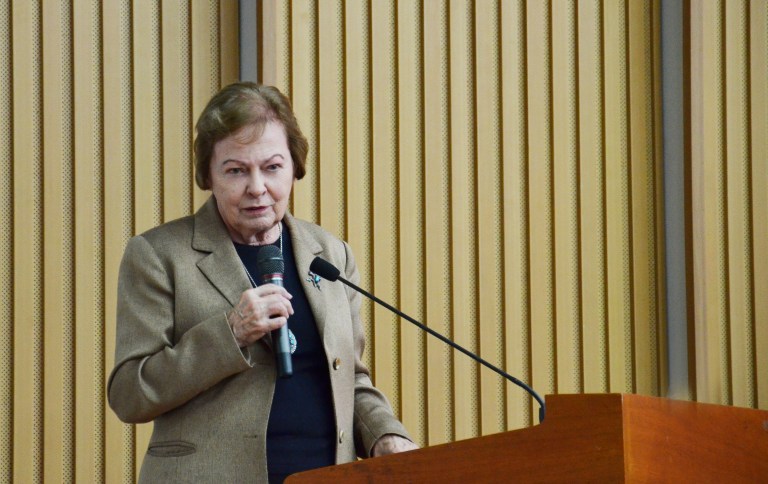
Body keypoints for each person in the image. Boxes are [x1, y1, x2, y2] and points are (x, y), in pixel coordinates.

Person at [108, 82, 417, 483]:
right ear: (209, 175)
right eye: (236, 170)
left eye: (272, 167)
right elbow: (130, 394)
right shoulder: (159, 255)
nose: (257, 187)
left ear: (294, 168)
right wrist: (230, 333)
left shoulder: (329, 254)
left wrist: (384, 435)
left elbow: (350, 378)